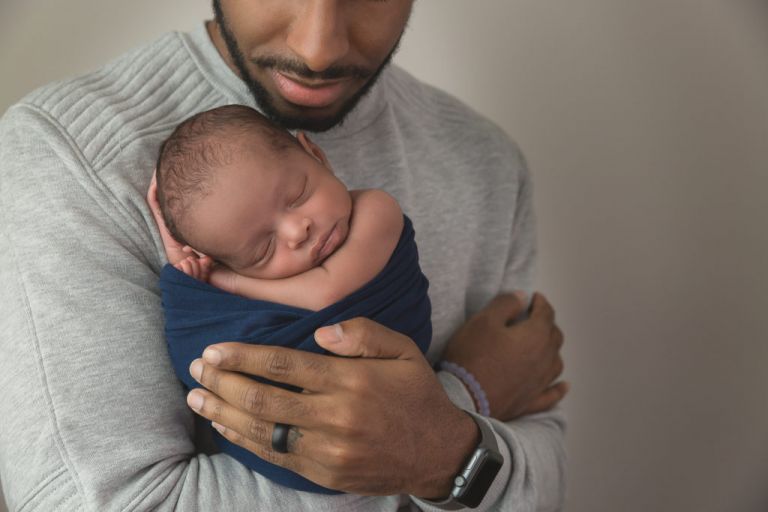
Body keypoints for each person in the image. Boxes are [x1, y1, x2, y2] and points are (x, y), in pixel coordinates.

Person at [0, 1, 567, 510]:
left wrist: (446, 449)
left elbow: (543, 474)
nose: (317, 48)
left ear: (310, 155)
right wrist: (455, 418)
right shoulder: (68, 158)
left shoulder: (484, 161)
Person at [152, 104, 432, 493]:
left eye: (299, 195)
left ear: (316, 155)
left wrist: (229, 279)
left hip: (394, 427)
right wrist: (186, 266)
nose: (297, 231)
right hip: (291, 453)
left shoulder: (377, 210)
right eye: (264, 250)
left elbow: (326, 294)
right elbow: (201, 333)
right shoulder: (245, 270)